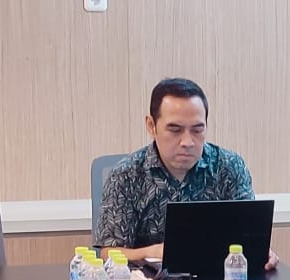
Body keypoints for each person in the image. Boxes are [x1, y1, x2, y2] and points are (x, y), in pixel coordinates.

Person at [96, 77, 277, 269]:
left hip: (219, 279)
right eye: (175, 130)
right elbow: (109, 253)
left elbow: (249, 236)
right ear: (151, 126)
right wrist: (152, 252)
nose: (187, 142)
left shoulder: (229, 167)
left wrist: (261, 252)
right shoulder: (126, 175)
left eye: (197, 131)